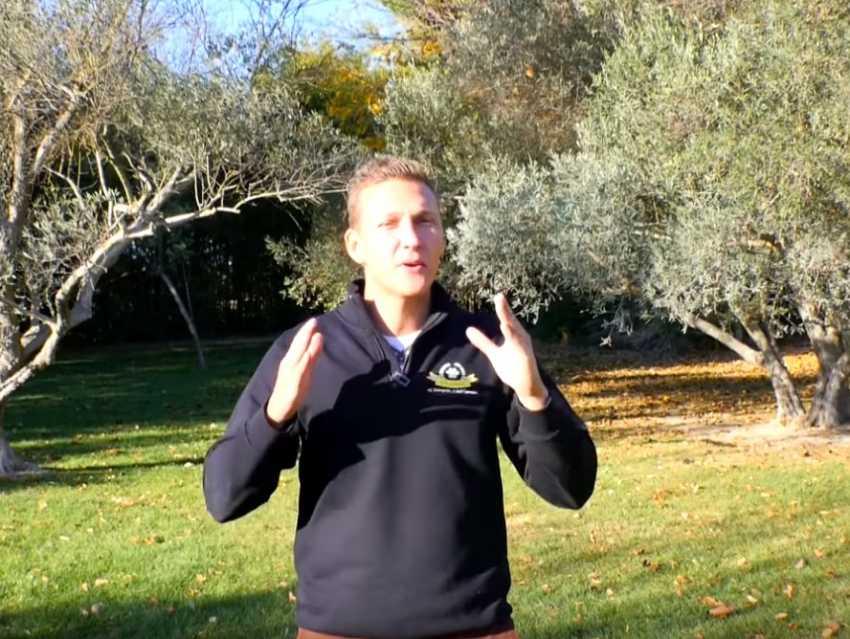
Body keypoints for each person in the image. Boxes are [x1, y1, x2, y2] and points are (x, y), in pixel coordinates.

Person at [203, 156, 597, 639]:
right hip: (338, 630)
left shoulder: (488, 346)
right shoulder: (307, 349)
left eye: (425, 221)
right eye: (388, 223)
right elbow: (224, 498)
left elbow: (570, 489)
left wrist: (534, 397)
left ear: (443, 238)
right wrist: (275, 415)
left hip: (474, 628)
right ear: (355, 245)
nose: (412, 238)